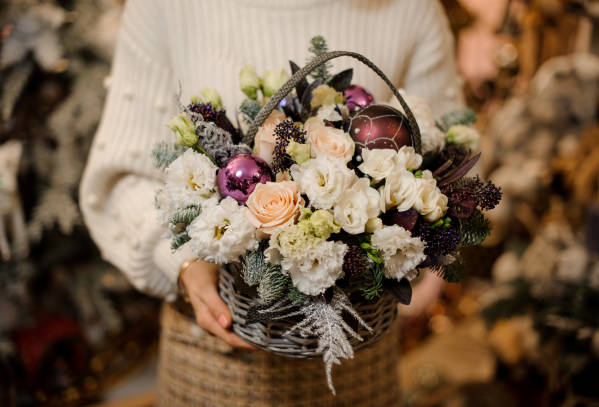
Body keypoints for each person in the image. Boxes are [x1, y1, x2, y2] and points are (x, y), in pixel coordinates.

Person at [80, 0, 463, 405]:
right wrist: (184, 264)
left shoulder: (411, 8)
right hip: (213, 363)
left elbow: (446, 161)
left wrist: (393, 249)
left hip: (357, 366)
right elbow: (120, 176)